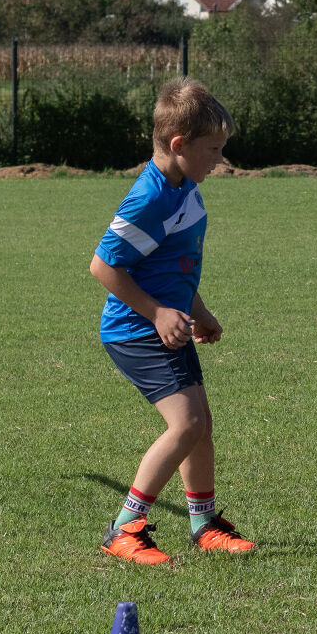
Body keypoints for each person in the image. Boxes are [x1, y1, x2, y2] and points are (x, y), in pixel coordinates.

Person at [91, 78, 254, 564]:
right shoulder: (150, 198)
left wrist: (198, 311)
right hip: (136, 330)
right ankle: (124, 528)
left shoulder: (186, 189)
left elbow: (171, 266)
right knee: (186, 424)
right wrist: (158, 312)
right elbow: (103, 266)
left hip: (168, 325)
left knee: (201, 426)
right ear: (179, 145)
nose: (221, 160)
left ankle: (203, 525)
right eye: (213, 149)